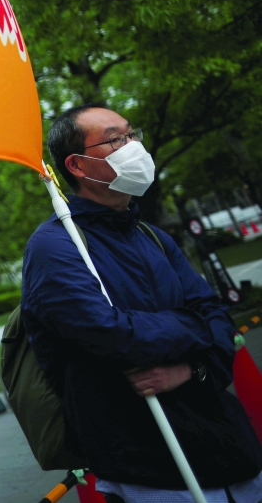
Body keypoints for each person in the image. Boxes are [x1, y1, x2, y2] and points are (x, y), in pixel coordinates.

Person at [22, 104, 262, 503]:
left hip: (230, 451)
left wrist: (191, 369)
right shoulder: (54, 247)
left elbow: (218, 321)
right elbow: (111, 336)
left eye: (132, 135)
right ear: (78, 166)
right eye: (115, 139)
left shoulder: (150, 236)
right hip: (148, 467)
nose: (132, 146)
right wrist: (193, 327)